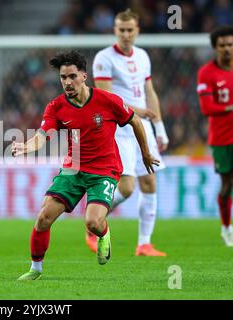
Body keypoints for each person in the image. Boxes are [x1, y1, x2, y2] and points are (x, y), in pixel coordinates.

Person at [14, 50, 159, 280]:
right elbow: (44, 134)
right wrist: (27, 146)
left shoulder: (107, 101)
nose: (67, 82)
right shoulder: (57, 106)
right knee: (43, 217)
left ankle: (103, 233)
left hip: (104, 171)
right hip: (73, 168)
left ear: (84, 76)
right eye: (63, 77)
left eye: (72, 76)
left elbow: (135, 121)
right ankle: (35, 269)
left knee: (92, 222)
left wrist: (145, 154)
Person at [86, 9, 169, 257]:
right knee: (127, 188)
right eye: (121, 30)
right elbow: (106, 98)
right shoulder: (104, 58)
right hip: (120, 129)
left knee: (150, 181)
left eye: (130, 30)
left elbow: (149, 91)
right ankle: (93, 222)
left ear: (137, 31)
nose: (125, 34)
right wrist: (138, 110)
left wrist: (160, 128)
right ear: (114, 31)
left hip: (143, 126)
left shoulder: (143, 56)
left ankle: (144, 244)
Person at [197, 25, 233, 247]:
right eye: (222, 46)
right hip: (220, 138)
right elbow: (206, 108)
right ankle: (227, 227)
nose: (227, 49)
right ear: (215, 48)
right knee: (227, 184)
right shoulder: (206, 73)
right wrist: (231, 107)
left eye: (230, 44)